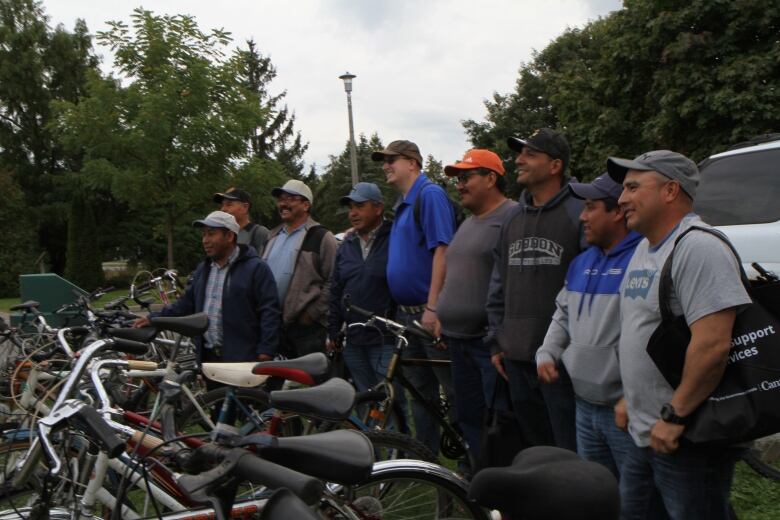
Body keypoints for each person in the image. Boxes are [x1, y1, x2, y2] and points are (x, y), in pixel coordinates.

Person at [607, 150, 750, 519]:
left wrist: (675, 417)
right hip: (646, 430)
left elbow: (713, 344)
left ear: (670, 190)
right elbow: (642, 330)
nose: (622, 198)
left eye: (634, 187)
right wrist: (630, 398)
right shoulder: (644, 249)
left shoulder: (700, 247)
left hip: (685, 436)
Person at [535, 173, 641, 478]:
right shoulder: (581, 262)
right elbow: (563, 313)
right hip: (583, 405)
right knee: (597, 494)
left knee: (634, 502)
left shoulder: (643, 259)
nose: (582, 217)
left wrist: (635, 397)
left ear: (618, 211)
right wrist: (547, 352)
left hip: (624, 410)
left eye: (591, 207)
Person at [486, 127, 582, 451]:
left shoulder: (579, 212)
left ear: (555, 165)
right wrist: (497, 340)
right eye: (519, 153)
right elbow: (498, 282)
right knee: (536, 448)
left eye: (530, 154)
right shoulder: (513, 218)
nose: (518, 161)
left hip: (563, 362)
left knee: (569, 450)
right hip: (516, 357)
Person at [371, 139, 456, 455]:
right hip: (407, 315)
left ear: (412, 162)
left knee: (452, 389)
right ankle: (426, 459)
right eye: (385, 160)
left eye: (392, 159)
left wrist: (434, 308)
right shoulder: (403, 203)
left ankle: (468, 461)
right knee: (421, 391)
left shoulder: (429, 195)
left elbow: (442, 251)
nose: (386, 166)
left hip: (428, 313)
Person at [436, 149, 517, 462]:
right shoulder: (468, 223)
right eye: (457, 179)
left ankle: (506, 489)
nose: (459, 184)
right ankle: (482, 477)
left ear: (491, 178)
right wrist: (443, 310)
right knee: (470, 418)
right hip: (457, 342)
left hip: (488, 345)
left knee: (499, 421)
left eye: (466, 177)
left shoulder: (511, 216)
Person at [134, 211, 280, 366]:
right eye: (204, 235)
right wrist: (154, 319)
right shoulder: (204, 269)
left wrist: (266, 350)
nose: (205, 240)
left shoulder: (256, 268)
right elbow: (185, 305)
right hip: (209, 358)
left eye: (211, 234)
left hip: (243, 358)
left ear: (230, 237)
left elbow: (269, 311)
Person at [327, 182, 403, 397]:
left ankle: (392, 433)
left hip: (385, 340)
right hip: (353, 340)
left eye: (359, 206)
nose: (353, 213)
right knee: (362, 399)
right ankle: (368, 433)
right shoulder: (347, 244)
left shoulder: (396, 238)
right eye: (351, 208)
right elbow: (336, 288)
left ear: (378, 208)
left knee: (390, 402)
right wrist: (333, 328)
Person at [263, 179, 338, 359]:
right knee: (273, 382)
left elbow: (335, 279)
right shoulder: (271, 236)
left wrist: (312, 313)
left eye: (290, 199)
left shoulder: (321, 236)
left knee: (312, 381)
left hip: (306, 329)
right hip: (273, 325)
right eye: (280, 199)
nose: (283, 204)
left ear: (306, 205)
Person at [213, 187, 269, 256]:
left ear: (245, 207)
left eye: (229, 205)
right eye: (222, 205)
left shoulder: (259, 232)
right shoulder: (223, 234)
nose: (223, 209)